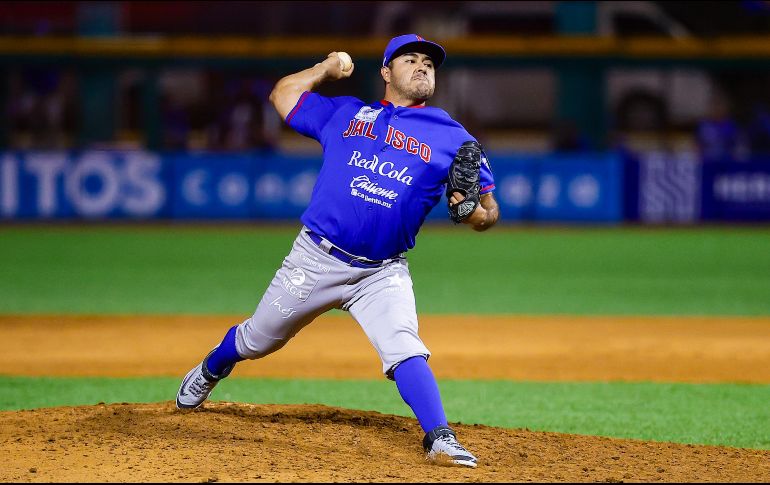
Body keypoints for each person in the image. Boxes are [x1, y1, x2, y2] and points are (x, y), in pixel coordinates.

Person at [175, 34, 499, 468]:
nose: (423, 67)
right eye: (410, 60)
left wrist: (473, 210)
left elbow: (489, 211)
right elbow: (283, 94)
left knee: (404, 346)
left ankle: (439, 437)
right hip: (315, 258)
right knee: (257, 339)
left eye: (429, 62)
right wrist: (324, 70)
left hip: (382, 272)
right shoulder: (346, 113)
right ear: (386, 72)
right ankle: (211, 368)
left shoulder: (453, 137)